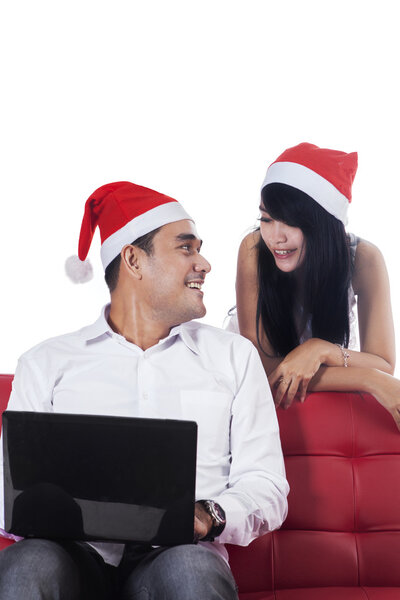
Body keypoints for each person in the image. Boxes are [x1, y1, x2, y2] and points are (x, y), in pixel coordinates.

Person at [0, 181, 289, 600]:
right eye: (186, 248)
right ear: (133, 260)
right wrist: (36, 504)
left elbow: (266, 482)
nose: (204, 264)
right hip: (70, 555)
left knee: (192, 571)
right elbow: (6, 492)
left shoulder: (233, 358)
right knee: (28, 565)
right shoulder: (46, 363)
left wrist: (209, 515)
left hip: (175, 554)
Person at [234, 143, 400, 431]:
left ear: (324, 224)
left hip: (320, 411)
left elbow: (384, 362)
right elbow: (267, 369)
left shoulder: (364, 258)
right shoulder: (253, 249)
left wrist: (320, 350)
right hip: (257, 402)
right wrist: (368, 379)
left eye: (291, 222)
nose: (275, 237)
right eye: (266, 218)